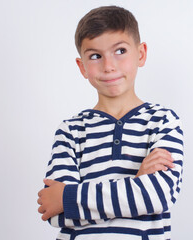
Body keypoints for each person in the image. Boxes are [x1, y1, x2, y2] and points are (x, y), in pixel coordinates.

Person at [37, 5, 184, 240]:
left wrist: (70, 198)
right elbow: (53, 209)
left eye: (120, 51)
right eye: (95, 56)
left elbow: (156, 195)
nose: (108, 66)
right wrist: (135, 183)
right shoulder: (71, 130)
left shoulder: (162, 121)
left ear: (141, 53)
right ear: (82, 66)